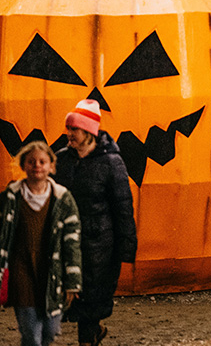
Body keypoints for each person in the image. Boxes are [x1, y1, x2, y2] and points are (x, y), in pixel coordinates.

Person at [53, 99, 137, 346]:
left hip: (99, 246)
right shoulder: (61, 160)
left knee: (90, 299)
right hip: (68, 242)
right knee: (74, 297)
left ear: (89, 131)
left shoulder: (112, 163)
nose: (69, 134)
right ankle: (92, 334)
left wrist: (126, 248)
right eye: (68, 129)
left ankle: (88, 340)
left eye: (74, 130)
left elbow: (123, 207)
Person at [0, 141, 82, 346]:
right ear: (23, 165)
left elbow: (72, 243)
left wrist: (73, 281)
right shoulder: (11, 197)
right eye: (31, 161)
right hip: (22, 273)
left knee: (50, 332)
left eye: (42, 161)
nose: (37, 165)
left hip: (52, 275)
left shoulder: (63, 199)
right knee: (31, 336)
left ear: (51, 166)